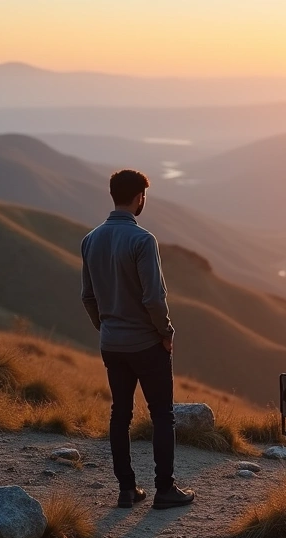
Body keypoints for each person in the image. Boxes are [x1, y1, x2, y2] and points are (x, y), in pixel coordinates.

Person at [81, 169, 195, 510]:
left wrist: (105, 329)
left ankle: (126, 490)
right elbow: (154, 299)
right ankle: (164, 490)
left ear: (113, 194)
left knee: (121, 414)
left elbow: (88, 296)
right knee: (162, 414)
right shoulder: (143, 240)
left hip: (112, 343)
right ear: (139, 197)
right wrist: (166, 333)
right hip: (146, 342)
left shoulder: (90, 239)